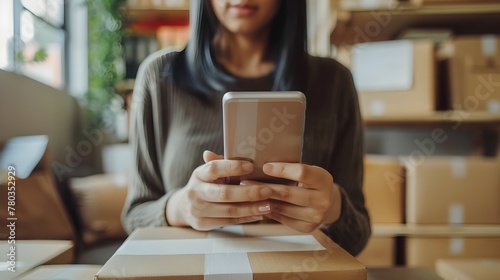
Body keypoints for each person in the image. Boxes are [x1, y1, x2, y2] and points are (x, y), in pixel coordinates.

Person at [122, 0, 371, 256]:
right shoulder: (159, 76)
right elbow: (135, 216)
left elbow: (358, 234)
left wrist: (332, 208)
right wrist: (181, 207)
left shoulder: (334, 82)